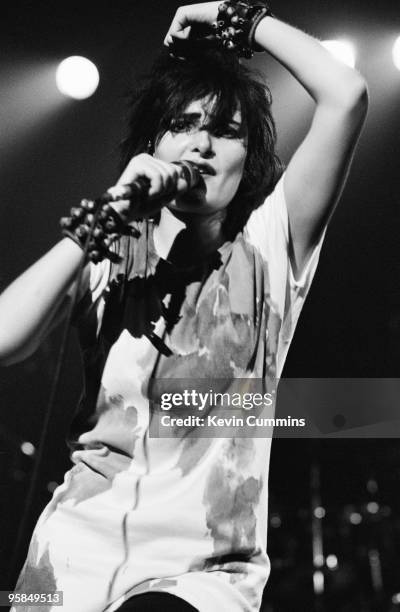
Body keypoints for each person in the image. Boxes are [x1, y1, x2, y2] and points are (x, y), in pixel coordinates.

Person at [0, 2, 368, 611]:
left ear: (247, 158)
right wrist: (110, 211)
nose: (200, 143)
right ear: (153, 145)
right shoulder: (107, 252)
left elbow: (346, 93)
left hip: (201, 575)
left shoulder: (270, 247)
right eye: (183, 124)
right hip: (69, 558)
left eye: (225, 131)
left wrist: (233, 16)